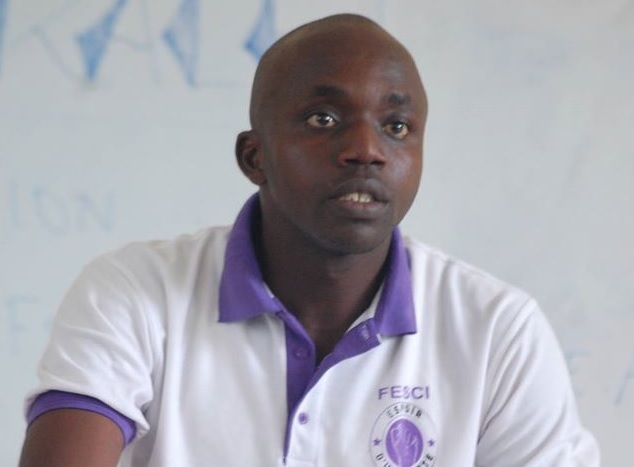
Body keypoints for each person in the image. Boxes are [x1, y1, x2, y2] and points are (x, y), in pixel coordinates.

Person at [19, 13, 599, 467]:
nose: (367, 150)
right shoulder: (134, 292)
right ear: (255, 157)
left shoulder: (498, 330)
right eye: (324, 119)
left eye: (396, 127)